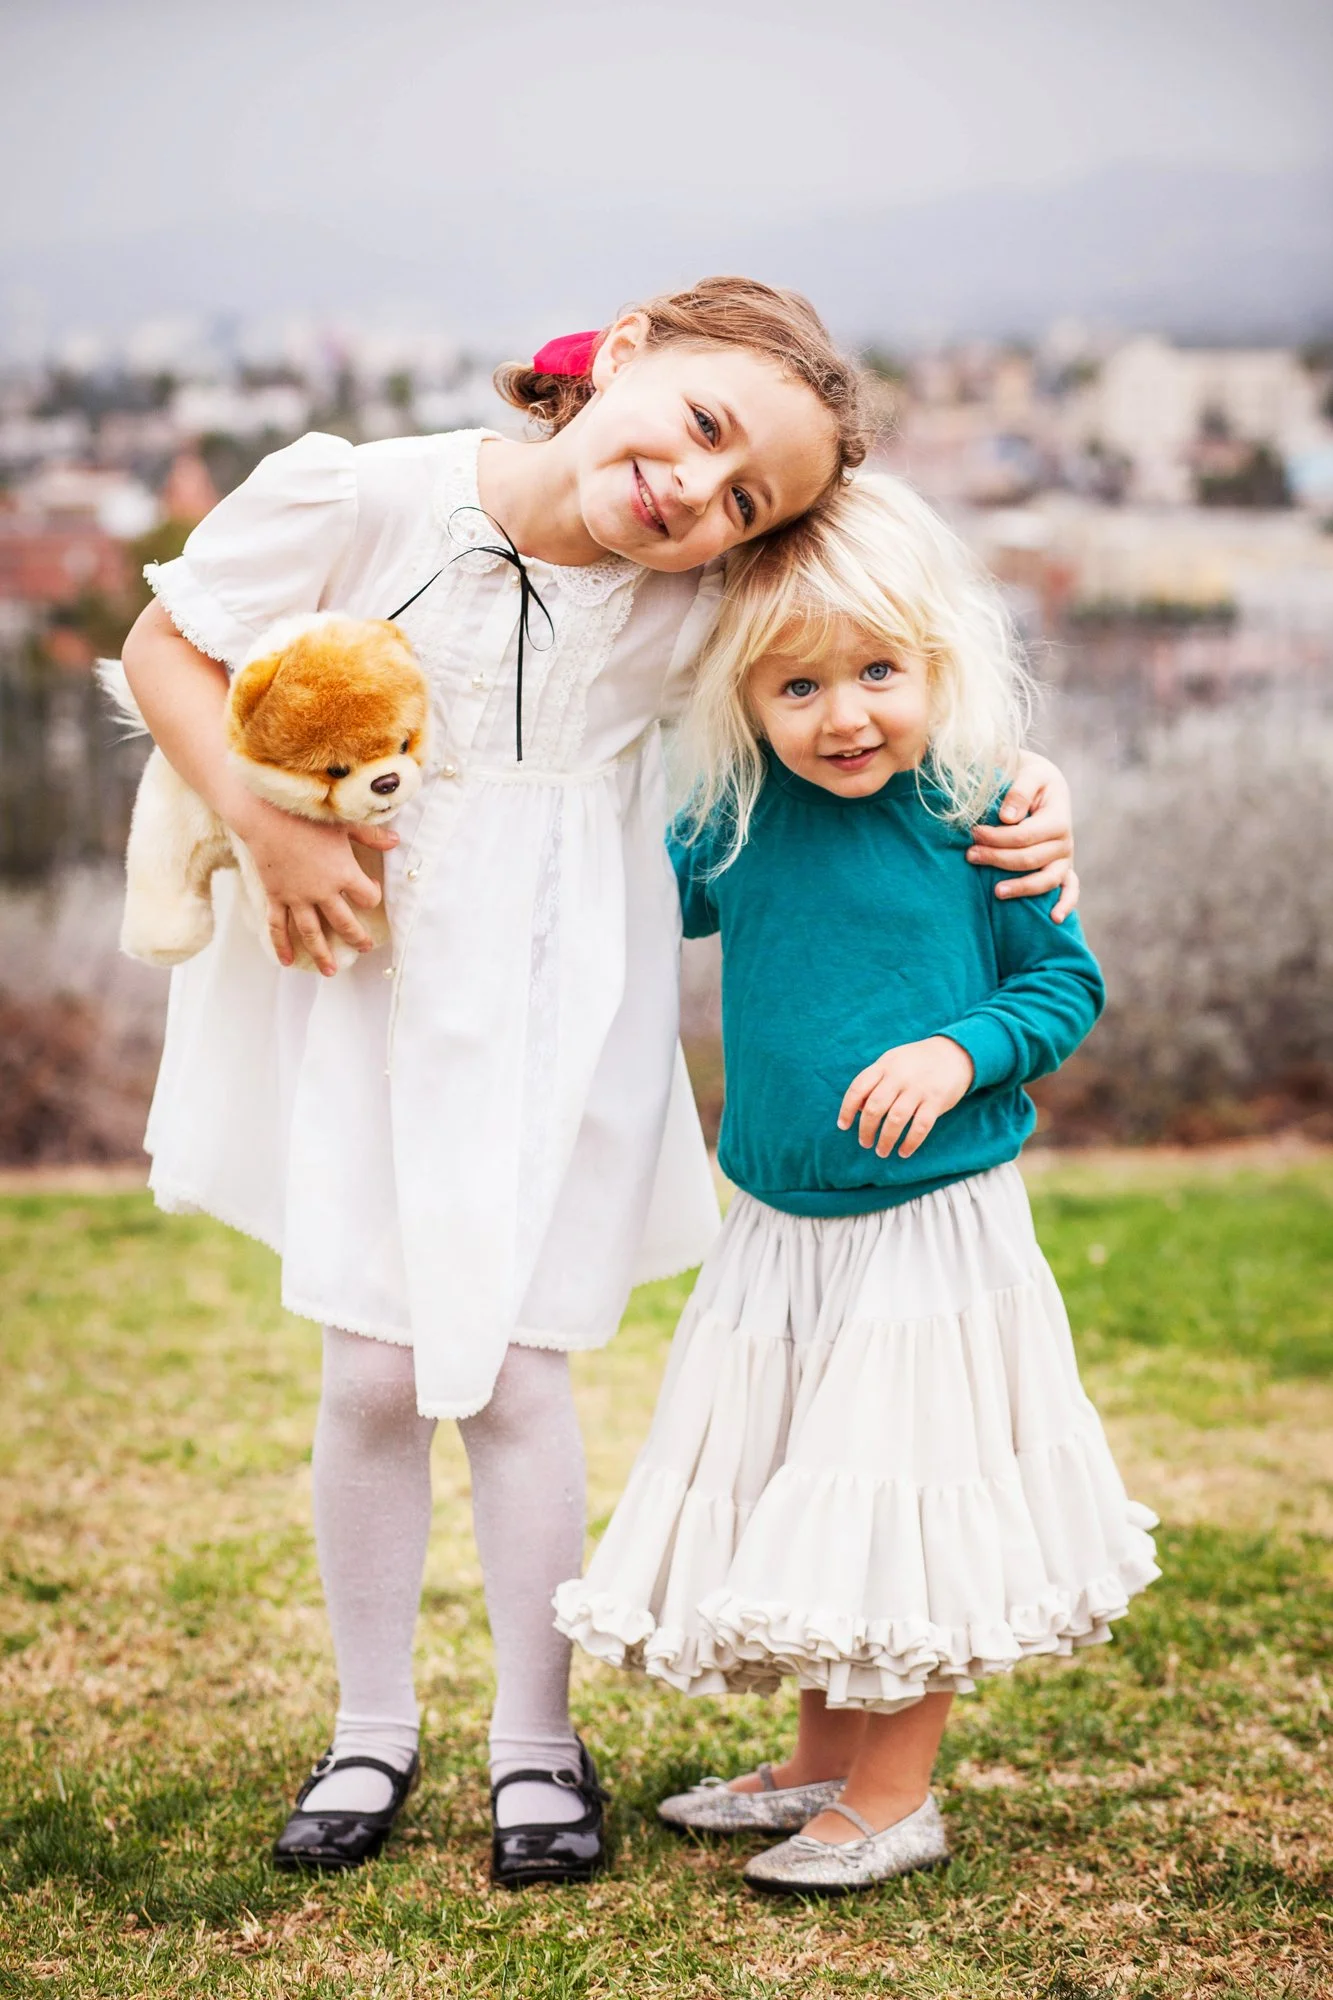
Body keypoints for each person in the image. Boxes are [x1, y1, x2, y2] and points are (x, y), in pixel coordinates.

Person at [119, 280, 1078, 1889]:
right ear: (624, 349)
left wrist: (1023, 779)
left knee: (518, 1379)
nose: (698, 491)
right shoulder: (365, 493)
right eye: (703, 425)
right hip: (372, 970)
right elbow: (168, 644)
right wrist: (267, 819)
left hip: (571, 1000)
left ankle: (533, 1745)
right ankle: (369, 1727)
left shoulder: (702, 595)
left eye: (745, 494)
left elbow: (878, 646)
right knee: (368, 1373)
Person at [555, 474, 1156, 1896]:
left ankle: (895, 1796)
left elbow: (1067, 987)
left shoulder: (980, 807)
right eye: (800, 685)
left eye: (879, 672)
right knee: (818, 1488)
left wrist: (961, 1051)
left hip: (931, 1230)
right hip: (780, 1220)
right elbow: (606, 886)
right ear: (746, 701)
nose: (846, 715)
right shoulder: (731, 816)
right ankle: (823, 1761)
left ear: (937, 662)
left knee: (902, 1488)